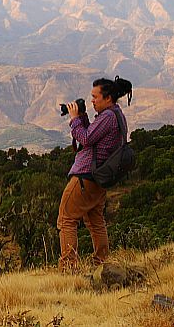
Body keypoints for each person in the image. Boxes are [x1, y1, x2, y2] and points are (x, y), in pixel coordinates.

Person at [57, 76, 132, 270]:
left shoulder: (107, 117)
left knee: (66, 219)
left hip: (85, 177)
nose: (92, 101)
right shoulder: (116, 114)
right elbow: (93, 134)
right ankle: (102, 263)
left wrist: (74, 120)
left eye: (95, 97)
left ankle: (68, 267)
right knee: (95, 221)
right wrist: (82, 117)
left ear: (108, 98)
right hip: (99, 179)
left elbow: (86, 137)